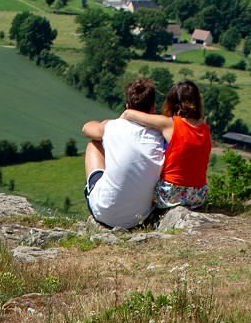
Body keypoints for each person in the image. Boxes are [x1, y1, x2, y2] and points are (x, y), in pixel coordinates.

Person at [81, 76, 165, 230]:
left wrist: (104, 125)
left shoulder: (112, 126)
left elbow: (86, 129)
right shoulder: (161, 136)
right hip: (139, 217)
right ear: (153, 108)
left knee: (94, 144)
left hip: (102, 211)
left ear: (127, 106)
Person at [121, 79, 211, 210]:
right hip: (198, 195)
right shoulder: (205, 130)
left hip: (171, 194)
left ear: (172, 102)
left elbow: (129, 113)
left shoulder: (170, 124)